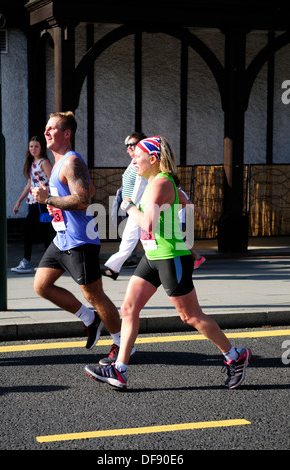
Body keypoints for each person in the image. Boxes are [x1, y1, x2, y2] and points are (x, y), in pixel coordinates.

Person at [85, 136, 252, 390]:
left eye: (137, 156)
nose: (133, 160)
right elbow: (181, 201)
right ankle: (119, 370)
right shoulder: (157, 182)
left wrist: (128, 205)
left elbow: (147, 223)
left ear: (153, 159)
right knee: (129, 309)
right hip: (152, 257)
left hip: (171, 258)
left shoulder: (161, 183)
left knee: (190, 316)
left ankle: (234, 355)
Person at [32, 111, 123, 352]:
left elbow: (83, 201)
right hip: (62, 239)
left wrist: (48, 198)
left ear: (67, 133)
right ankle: (90, 320)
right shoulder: (61, 164)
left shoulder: (72, 161)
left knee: (95, 296)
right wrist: (54, 201)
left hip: (80, 240)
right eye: (46, 128)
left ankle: (122, 345)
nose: (46, 132)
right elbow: (89, 189)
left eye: (52, 128)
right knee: (42, 286)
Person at [101, 132, 147, 281]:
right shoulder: (134, 162)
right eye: (127, 146)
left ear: (141, 145)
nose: (128, 148)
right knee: (132, 238)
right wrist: (121, 191)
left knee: (133, 237)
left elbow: (142, 184)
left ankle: (113, 268)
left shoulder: (142, 162)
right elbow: (130, 181)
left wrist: (131, 203)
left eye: (131, 145)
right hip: (131, 206)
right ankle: (113, 268)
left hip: (139, 206)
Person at [11, 136, 54, 274]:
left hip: (42, 201)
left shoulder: (44, 162)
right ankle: (49, 262)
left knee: (28, 228)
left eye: (36, 146)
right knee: (43, 232)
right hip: (33, 200)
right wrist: (19, 201)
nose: (33, 149)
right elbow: (30, 184)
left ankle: (27, 262)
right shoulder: (32, 163)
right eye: (31, 147)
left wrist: (49, 196)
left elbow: (53, 181)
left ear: (41, 148)